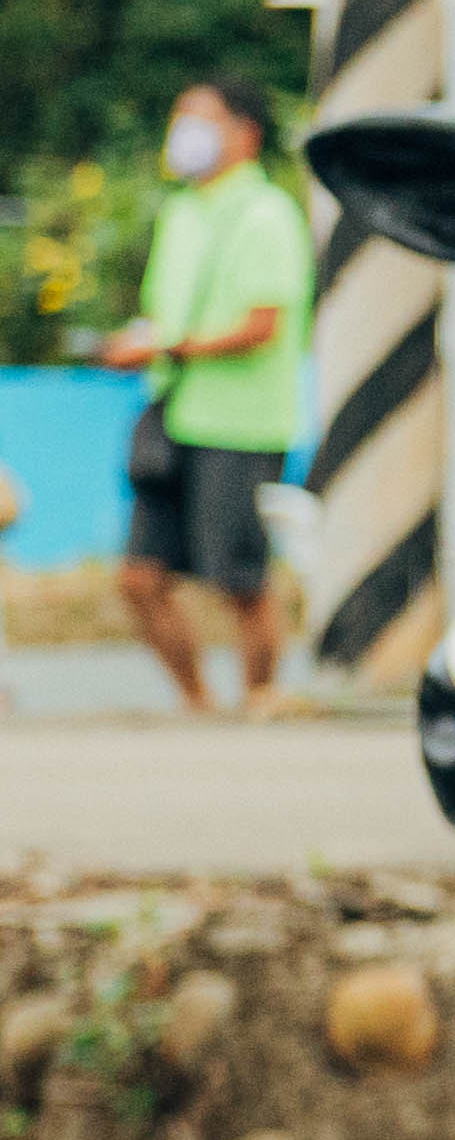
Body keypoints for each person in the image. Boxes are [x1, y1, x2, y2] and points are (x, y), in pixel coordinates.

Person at [101, 76, 307, 715]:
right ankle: (199, 705)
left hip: (240, 424)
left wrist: (164, 347)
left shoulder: (266, 213)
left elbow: (261, 324)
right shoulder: (182, 211)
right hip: (173, 416)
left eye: (201, 118)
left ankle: (262, 697)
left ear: (244, 134)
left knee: (238, 578)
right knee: (139, 578)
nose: (183, 131)